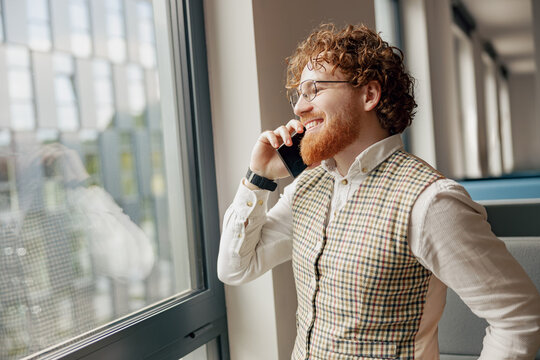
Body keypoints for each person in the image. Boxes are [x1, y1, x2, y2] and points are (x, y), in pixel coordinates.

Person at [217, 24, 540, 359]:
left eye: (313, 89)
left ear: (368, 95)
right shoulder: (306, 187)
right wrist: (259, 178)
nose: (299, 108)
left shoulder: (431, 201)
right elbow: (235, 268)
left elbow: (518, 317)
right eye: (298, 94)